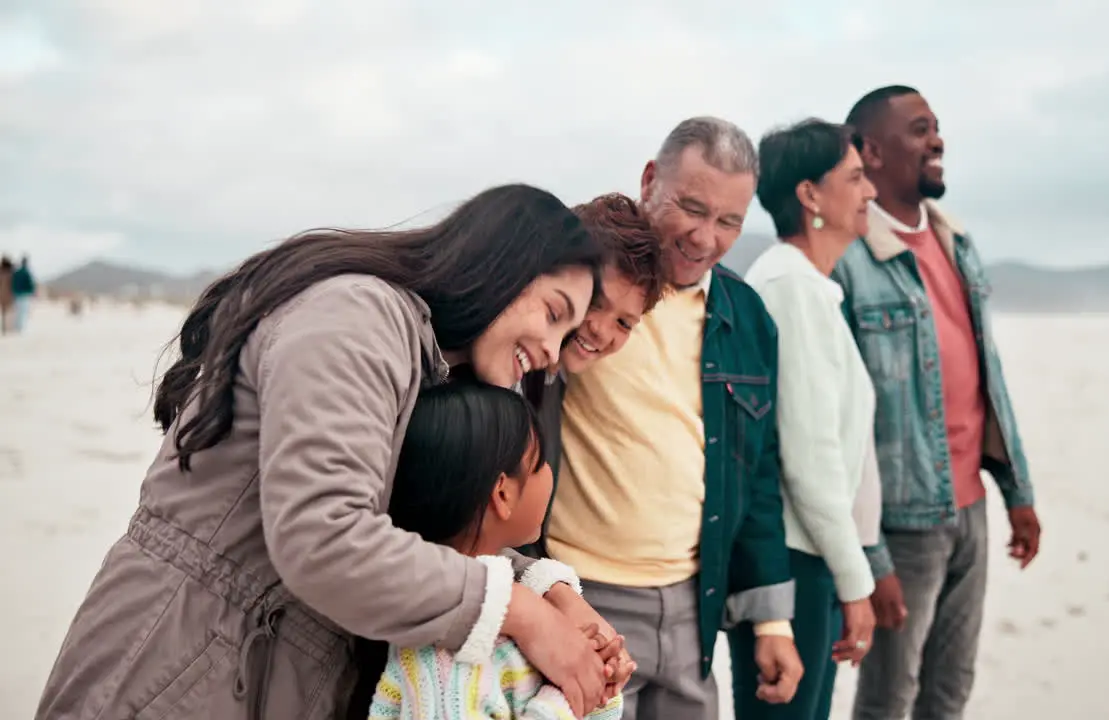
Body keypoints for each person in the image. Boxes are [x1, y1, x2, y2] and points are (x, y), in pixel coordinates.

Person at [37, 184, 632, 720]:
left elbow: (422, 535)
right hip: (180, 664)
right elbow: (325, 538)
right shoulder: (357, 317)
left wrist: (551, 595)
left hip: (277, 673)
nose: (554, 352)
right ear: (500, 267)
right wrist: (521, 614)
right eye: (554, 314)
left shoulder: (432, 366)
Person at [540, 117, 803, 720]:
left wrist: (772, 621)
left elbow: (758, 470)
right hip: (582, 595)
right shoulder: (583, 292)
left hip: (693, 604)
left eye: (729, 221)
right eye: (692, 207)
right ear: (650, 181)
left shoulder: (748, 317)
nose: (705, 238)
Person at [837, 86, 1042, 719]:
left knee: (951, 691)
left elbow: (990, 378)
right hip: (901, 524)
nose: (938, 141)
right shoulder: (848, 261)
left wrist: (1018, 491)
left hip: (971, 509)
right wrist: (872, 556)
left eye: (938, 127)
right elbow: (839, 425)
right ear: (870, 152)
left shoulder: (959, 244)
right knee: (888, 701)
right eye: (920, 129)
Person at [362, 379, 623, 719]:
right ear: (502, 494)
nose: (550, 474)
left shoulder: (521, 616)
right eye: (540, 463)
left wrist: (598, 683)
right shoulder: (439, 660)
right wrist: (566, 698)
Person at [735, 119, 882, 719]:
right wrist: (857, 581)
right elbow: (810, 456)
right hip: (795, 564)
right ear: (809, 195)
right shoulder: (788, 287)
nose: (870, 191)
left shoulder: (811, 287)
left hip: (811, 557)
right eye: (854, 177)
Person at [521, 192, 667, 492]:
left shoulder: (555, 382)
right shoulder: (509, 368)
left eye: (624, 323)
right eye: (595, 302)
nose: (601, 330)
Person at [10, 254, 35, 333]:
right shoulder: (26, 272)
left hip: (17, 294)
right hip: (24, 294)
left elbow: (12, 283)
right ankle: (21, 328)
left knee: (18, 311)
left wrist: (14, 291)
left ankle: (17, 327)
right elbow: (30, 284)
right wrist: (31, 292)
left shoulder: (17, 272)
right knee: (24, 311)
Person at [0, 255, 14, 334]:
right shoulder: (11, 273)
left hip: (1, 294)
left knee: (3, 311)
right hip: (9, 294)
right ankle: (6, 328)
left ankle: (4, 327)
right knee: (7, 312)